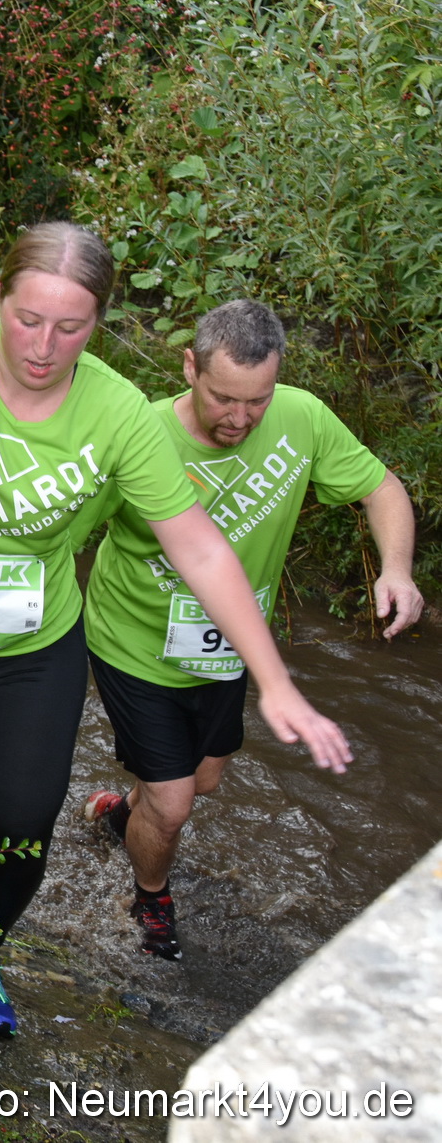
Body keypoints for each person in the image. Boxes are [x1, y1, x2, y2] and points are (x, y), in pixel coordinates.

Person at [0, 118, 351, 1037]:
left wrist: (274, 680)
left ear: (98, 324)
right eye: (27, 317)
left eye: (71, 327)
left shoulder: (120, 412)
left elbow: (200, 545)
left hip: (32, 653)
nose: (43, 345)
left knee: (19, 824)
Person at [80, 299, 423, 961]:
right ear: (190, 367)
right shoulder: (138, 433)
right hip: (133, 640)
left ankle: (124, 815)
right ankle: (150, 896)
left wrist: (398, 570)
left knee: (203, 781)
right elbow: (66, 523)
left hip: (231, 645)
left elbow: (381, 487)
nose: (239, 417)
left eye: (256, 400)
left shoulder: (301, 418)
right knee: (177, 801)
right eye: (223, 397)